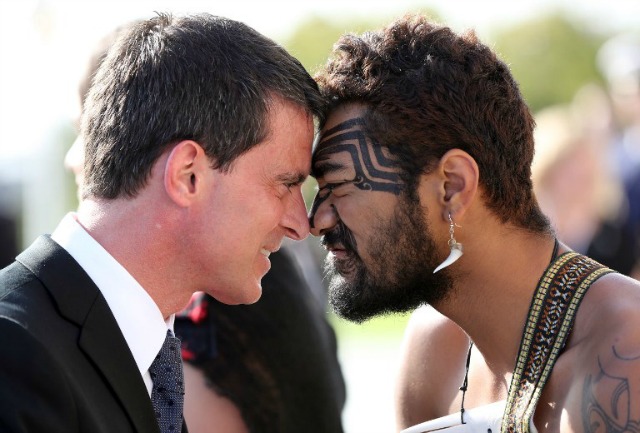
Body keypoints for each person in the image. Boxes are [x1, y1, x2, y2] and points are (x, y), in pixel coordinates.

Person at [308, 14, 640, 432]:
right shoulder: (436, 346)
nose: (316, 220)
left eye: (337, 186)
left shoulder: (625, 352)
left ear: (452, 186)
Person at [0, 12, 323, 433]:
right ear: (187, 175)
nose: (302, 223)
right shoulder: (14, 350)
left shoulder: (142, 354)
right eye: (285, 184)